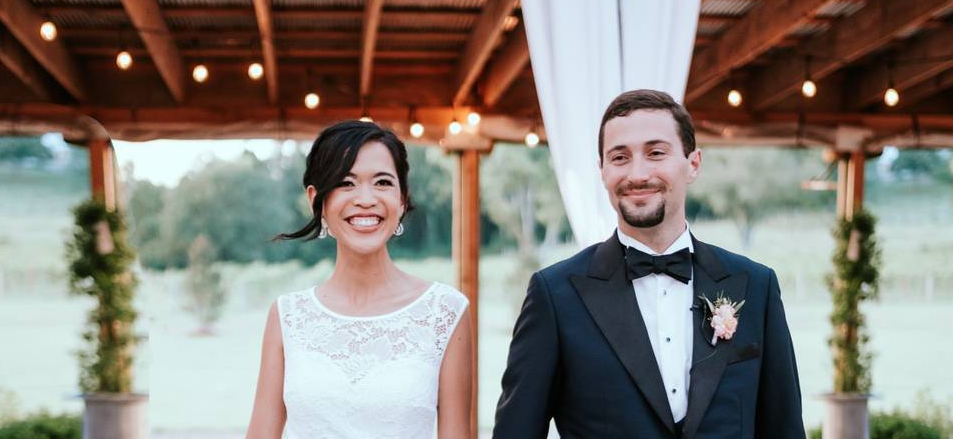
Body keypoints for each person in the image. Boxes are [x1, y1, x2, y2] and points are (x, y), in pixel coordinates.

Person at [493, 89, 805, 438]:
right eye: (620, 157)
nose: (637, 174)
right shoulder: (555, 295)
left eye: (656, 153)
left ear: (693, 164)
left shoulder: (756, 286)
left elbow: (784, 428)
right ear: (602, 171)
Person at [246, 120, 473, 439]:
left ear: (402, 198)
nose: (366, 199)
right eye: (345, 183)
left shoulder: (446, 312)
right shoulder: (287, 316)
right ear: (316, 200)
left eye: (382, 182)